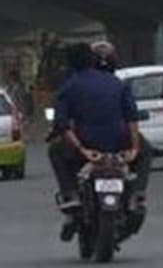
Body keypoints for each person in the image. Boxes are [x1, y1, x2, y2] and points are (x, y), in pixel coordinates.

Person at [47, 41, 150, 242]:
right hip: (120, 142)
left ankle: (70, 195)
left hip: (87, 143)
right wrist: (135, 147)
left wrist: (82, 149)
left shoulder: (69, 87)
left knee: (55, 151)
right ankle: (137, 194)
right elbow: (132, 118)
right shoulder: (117, 83)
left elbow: (62, 125)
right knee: (147, 150)